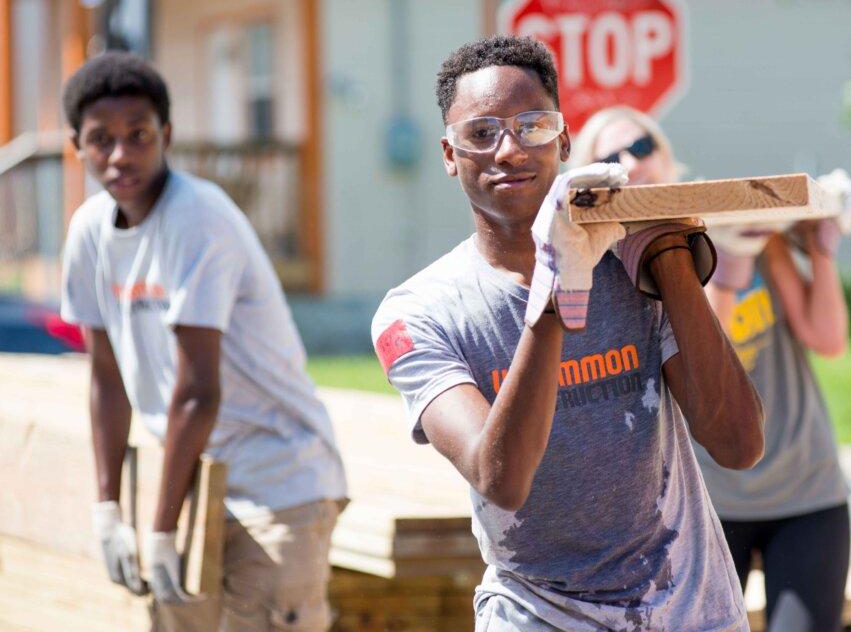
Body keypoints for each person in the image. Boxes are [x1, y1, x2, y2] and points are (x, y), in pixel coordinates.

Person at [371, 35, 764, 632]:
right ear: (450, 154)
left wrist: (666, 252)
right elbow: (501, 480)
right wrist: (558, 286)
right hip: (539, 613)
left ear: (563, 140)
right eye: (481, 133)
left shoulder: (630, 268)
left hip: (687, 610)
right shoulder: (418, 313)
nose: (509, 150)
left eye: (532, 126)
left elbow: (737, 444)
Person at [60, 52, 348, 632]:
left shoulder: (197, 217)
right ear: (77, 147)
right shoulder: (90, 232)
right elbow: (106, 381)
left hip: (276, 487)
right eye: (101, 139)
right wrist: (109, 509)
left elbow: (198, 393)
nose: (120, 155)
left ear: (166, 135)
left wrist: (160, 530)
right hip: (192, 483)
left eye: (138, 135)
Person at [573, 104, 851, 632]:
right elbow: (708, 375)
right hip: (707, 503)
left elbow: (829, 340)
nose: (631, 163)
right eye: (610, 159)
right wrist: (727, 271)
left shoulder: (736, 225)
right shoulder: (611, 272)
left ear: (667, 157)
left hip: (805, 487)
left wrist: (822, 250)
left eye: (641, 147)